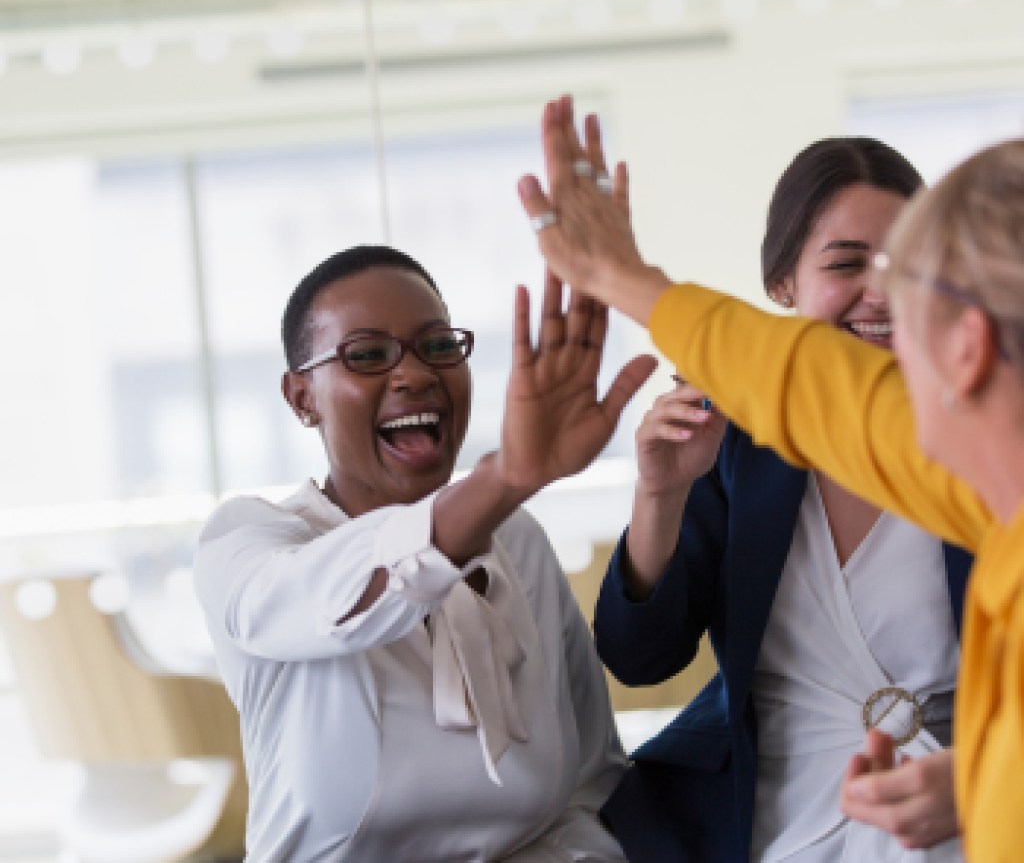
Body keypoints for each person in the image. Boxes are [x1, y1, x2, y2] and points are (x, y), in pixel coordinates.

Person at [517, 95, 1024, 863]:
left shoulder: (953, 466)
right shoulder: (757, 435)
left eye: (917, 281)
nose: (885, 299)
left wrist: (626, 278)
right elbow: (808, 384)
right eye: (851, 263)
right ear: (782, 282)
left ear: (971, 346)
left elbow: (817, 386)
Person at [193, 244, 657, 861]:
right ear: (302, 397)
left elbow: (587, 787)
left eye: (437, 346)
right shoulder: (248, 542)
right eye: (366, 355)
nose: (414, 375)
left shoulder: (517, 540)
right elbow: (320, 600)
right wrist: (508, 476)